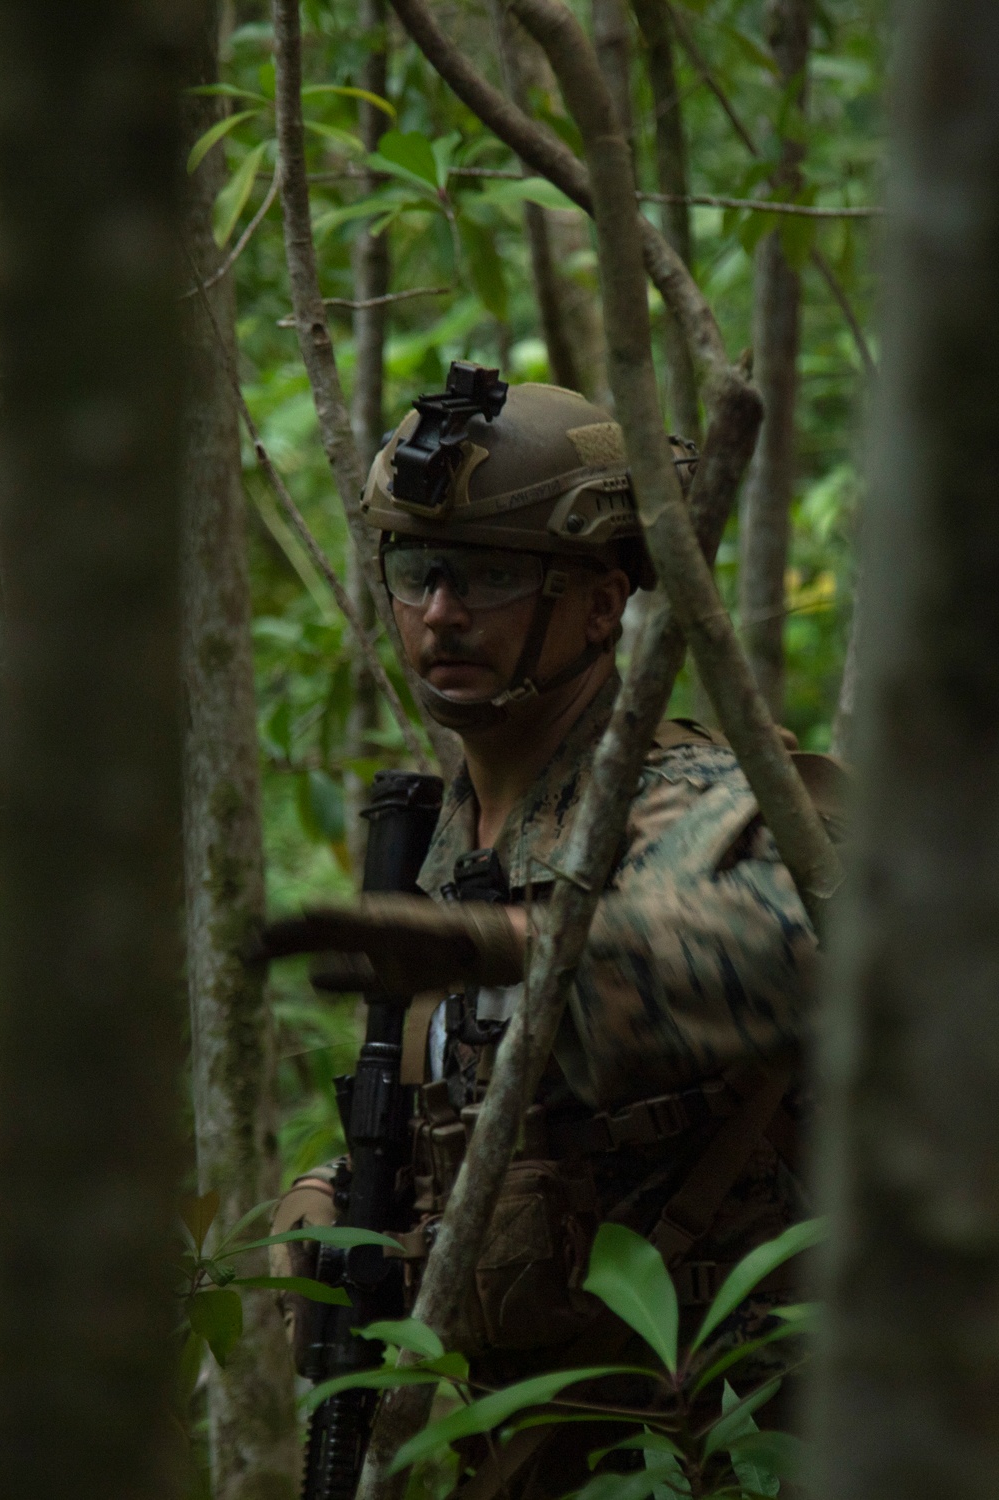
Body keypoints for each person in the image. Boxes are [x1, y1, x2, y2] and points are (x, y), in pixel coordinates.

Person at [271, 361, 827, 1493]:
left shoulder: (687, 800)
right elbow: (475, 1106)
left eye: (487, 576)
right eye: (417, 572)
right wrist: (322, 1199)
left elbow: (804, 948)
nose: (441, 613)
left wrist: (518, 948)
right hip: (534, 1447)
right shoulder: (445, 844)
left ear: (602, 598)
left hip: (732, 1441)